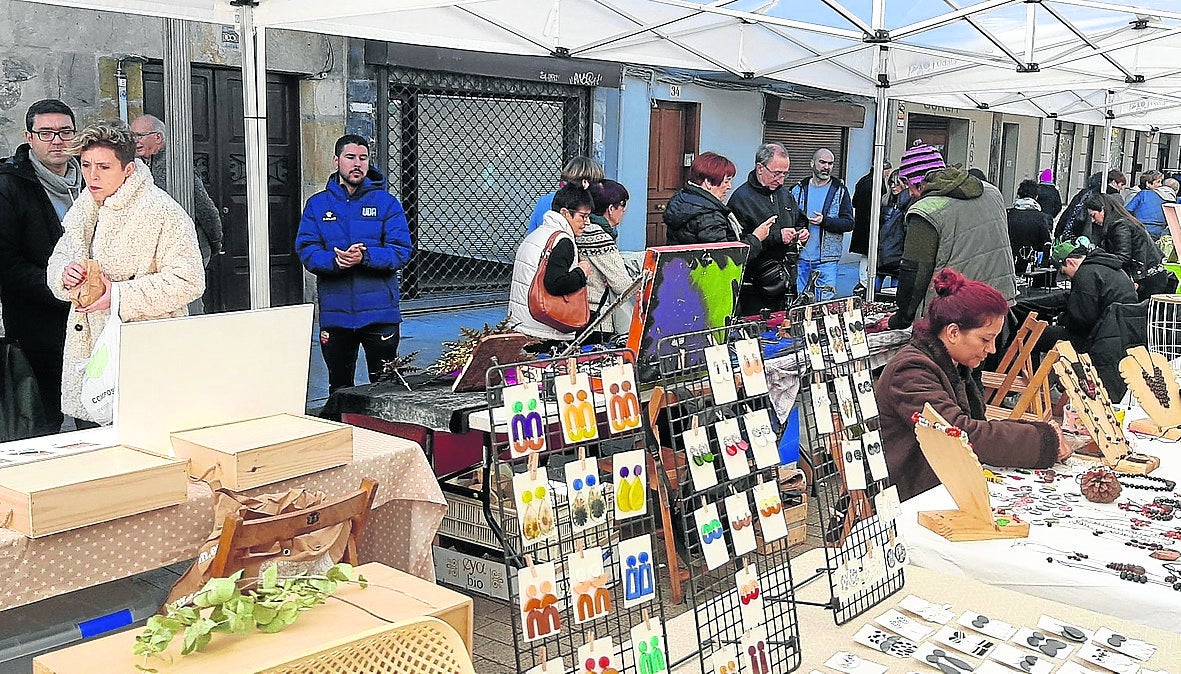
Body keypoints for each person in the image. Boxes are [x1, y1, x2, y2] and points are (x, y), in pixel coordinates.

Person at [46, 120, 205, 427]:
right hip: (90, 353)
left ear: (128, 170)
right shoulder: (84, 207)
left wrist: (118, 296)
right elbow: (61, 257)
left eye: (104, 167)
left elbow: (190, 280)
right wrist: (65, 276)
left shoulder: (163, 212)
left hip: (144, 357)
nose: (92, 175)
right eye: (86, 165)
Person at [876, 269, 1070, 501]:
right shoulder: (910, 371)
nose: (992, 349)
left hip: (941, 481)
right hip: (910, 492)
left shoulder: (950, 364)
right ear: (953, 332)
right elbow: (958, 433)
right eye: (985, 339)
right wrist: (1043, 439)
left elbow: (970, 428)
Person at [295, 134, 412, 394]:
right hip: (336, 315)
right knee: (339, 388)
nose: (357, 164)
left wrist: (366, 256)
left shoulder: (387, 203)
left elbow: (401, 251)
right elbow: (307, 250)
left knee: (384, 390)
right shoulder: (317, 205)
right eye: (350, 158)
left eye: (363, 158)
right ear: (337, 161)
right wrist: (335, 261)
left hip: (379, 315)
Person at [0, 99, 81, 434]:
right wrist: (60, 288)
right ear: (29, 137)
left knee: (102, 413)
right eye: (46, 133)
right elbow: (7, 264)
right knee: (45, 421)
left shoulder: (93, 178)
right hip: (38, 326)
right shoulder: (9, 185)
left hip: (93, 318)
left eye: (64, 132)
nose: (57, 140)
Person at [887, 142, 1016, 330]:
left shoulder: (925, 211)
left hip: (955, 315)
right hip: (1000, 305)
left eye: (908, 185)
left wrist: (900, 319)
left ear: (918, 182)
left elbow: (914, 275)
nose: (911, 193)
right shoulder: (991, 192)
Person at [130, 114, 224, 314]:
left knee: (188, 302)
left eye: (139, 135)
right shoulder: (136, 167)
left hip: (188, 246)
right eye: (131, 135)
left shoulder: (177, 166)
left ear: (158, 138)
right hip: (154, 251)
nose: (134, 140)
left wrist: (215, 243)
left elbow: (206, 209)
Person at [728, 143, 808, 315]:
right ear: (760, 168)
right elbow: (736, 244)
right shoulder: (740, 199)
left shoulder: (786, 196)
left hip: (786, 281)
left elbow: (799, 220)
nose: (781, 180)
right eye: (776, 173)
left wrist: (802, 232)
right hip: (755, 285)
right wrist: (776, 236)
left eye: (785, 174)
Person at [508, 183, 594, 343]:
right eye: (583, 216)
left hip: (522, 325)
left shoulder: (537, 235)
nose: (587, 222)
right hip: (545, 330)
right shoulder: (563, 241)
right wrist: (582, 272)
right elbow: (556, 284)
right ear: (565, 213)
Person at [663, 151, 773, 261]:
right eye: (726, 181)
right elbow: (725, 259)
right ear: (708, 183)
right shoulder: (709, 216)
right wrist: (756, 238)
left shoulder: (682, 200)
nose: (729, 186)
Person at [1034, 238, 1137, 354]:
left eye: (1065, 272)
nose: (1068, 278)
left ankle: (1030, 371)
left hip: (1101, 337)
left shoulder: (1085, 274)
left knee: (1036, 336)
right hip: (1122, 333)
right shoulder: (1110, 267)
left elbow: (1082, 320)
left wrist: (1061, 319)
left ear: (1070, 262)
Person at [1084, 193, 1176, 301]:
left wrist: (1096, 259)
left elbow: (1122, 257)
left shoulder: (1120, 226)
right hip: (1150, 275)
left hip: (1145, 279)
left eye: (1093, 215)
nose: (1092, 221)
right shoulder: (1123, 222)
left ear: (1103, 210)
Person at [789, 148, 854, 299]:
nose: (826, 167)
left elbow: (849, 223)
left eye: (830, 163)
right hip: (800, 257)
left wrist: (825, 221)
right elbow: (788, 219)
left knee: (824, 305)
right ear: (812, 163)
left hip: (827, 260)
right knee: (799, 302)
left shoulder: (840, 191)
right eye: (822, 162)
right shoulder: (797, 190)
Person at [583, 179, 637, 337]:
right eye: (622, 205)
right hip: (598, 319)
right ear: (611, 209)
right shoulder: (598, 236)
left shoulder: (582, 228)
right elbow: (623, 286)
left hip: (582, 312)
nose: (625, 210)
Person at [527, 156, 605, 236]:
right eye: (596, 183)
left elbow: (532, 232)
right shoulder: (582, 206)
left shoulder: (544, 200)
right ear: (585, 183)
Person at [849, 159, 892, 276]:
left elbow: (854, 202)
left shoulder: (863, 181)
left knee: (866, 255)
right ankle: (865, 283)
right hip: (872, 224)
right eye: (887, 170)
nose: (888, 173)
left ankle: (863, 282)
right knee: (871, 256)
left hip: (861, 224)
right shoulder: (878, 183)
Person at [875, 170, 910, 288]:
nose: (893, 186)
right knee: (874, 291)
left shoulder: (907, 203)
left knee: (894, 293)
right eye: (891, 182)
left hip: (896, 253)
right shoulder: (885, 200)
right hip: (884, 252)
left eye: (896, 183)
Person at [1006, 179, 1053, 261]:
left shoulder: (1008, 214)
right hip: (1030, 262)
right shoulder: (1041, 217)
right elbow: (1045, 243)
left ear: (1019, 195)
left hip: (1009, 260)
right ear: (1036, 196)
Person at [1057, 171, 1103, 240]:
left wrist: (1058, 231)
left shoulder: (1084, 194)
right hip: (1083, 233)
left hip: (1073, 232)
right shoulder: (1098, 197)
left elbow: (1069, 211)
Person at [1124, 170, 1168, 240]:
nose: (1161, 185)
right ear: (1148, 184)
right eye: (1158, 182)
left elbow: (1127, 211)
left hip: (1141, 231)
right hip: (1157, 233)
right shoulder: (1165, 197)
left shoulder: (1142, 194)